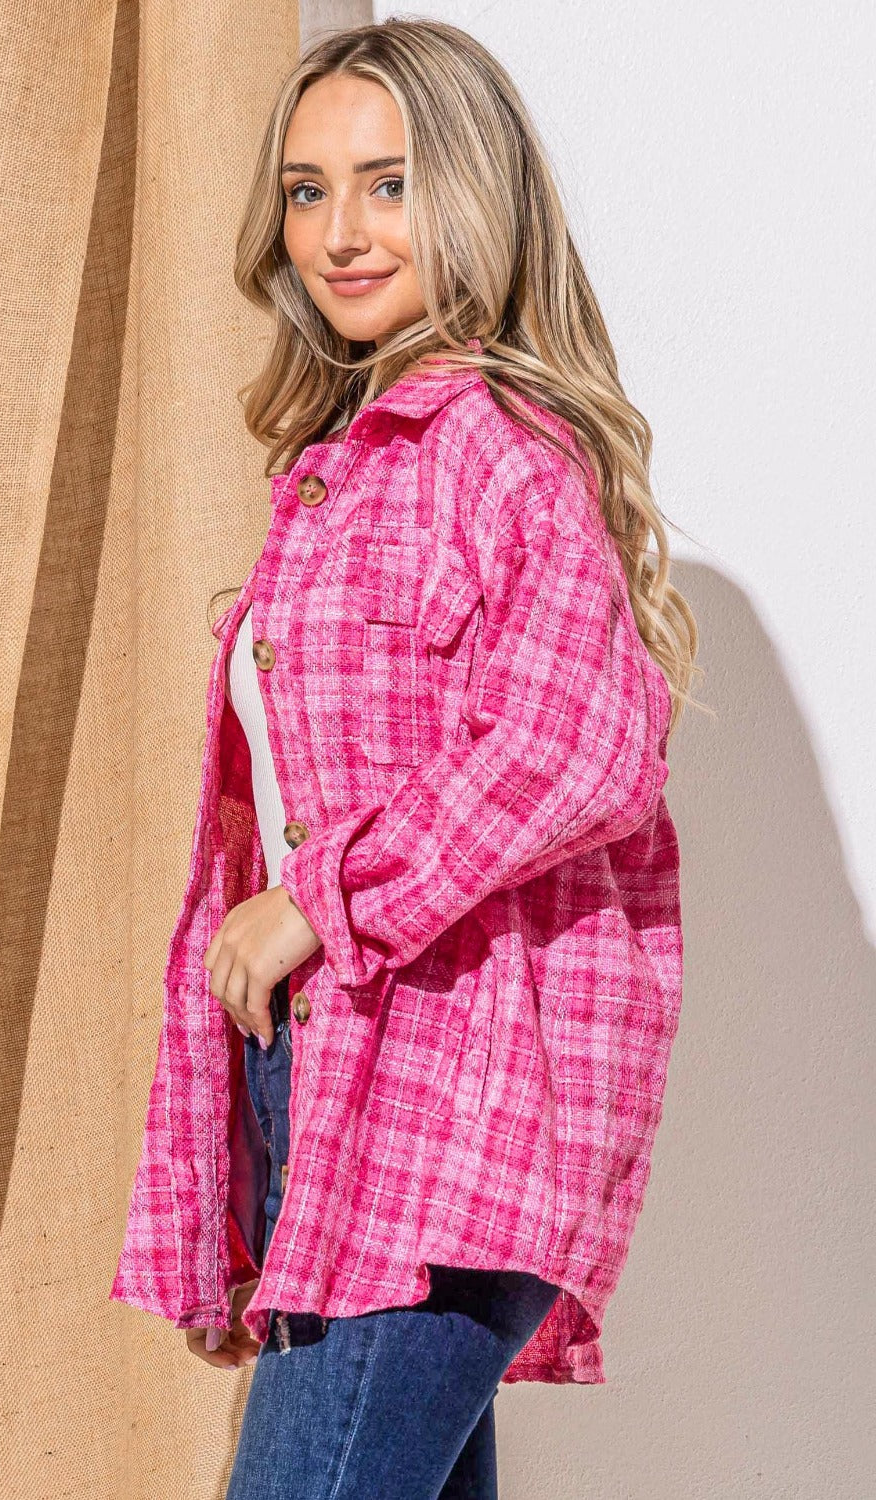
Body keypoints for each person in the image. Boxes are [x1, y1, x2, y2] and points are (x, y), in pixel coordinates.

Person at [110, 18, 700, 1499]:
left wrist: (322, 897)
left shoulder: (500, 446)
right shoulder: (352, 459)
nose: (340, 232)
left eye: (388, 184)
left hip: (450, 1098)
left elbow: (581, 742)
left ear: (476, 197)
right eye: (308, 191)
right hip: (340, 1081)